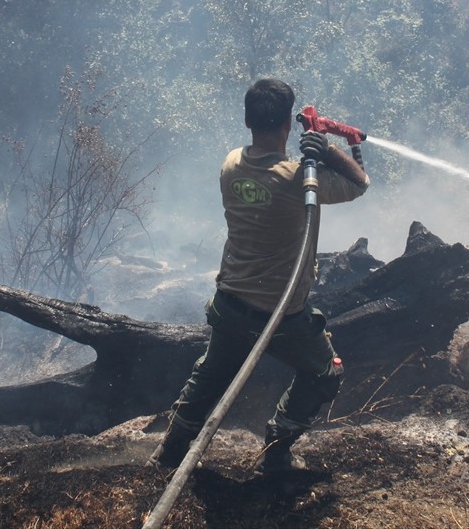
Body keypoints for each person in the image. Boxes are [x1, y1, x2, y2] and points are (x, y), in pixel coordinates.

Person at [149, 78, 369, 474]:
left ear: (248, 119)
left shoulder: (231, 163)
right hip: (281, 316)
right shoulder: (300, 180)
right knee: (324, 374)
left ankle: (168, 455)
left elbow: (269, 182)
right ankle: (277, 451)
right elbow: (359, 184)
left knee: (209, 379)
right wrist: (330, 150)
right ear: (288, 123)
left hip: (231, 304)